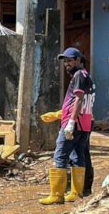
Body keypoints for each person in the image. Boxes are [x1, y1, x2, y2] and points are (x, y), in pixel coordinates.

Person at [40, 47, 94, 205]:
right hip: (84, 124)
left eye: (70, 61)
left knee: (60, 155)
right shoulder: (86, 76)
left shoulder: (78, 75)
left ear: (78, 60)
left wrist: (70, 122)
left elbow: (78, 100)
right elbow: (83, 102)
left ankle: (57, 195)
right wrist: (60, 113)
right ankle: (76, 193)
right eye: (65, 61)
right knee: (78, 156)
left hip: (74, 124)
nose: (67, 64)